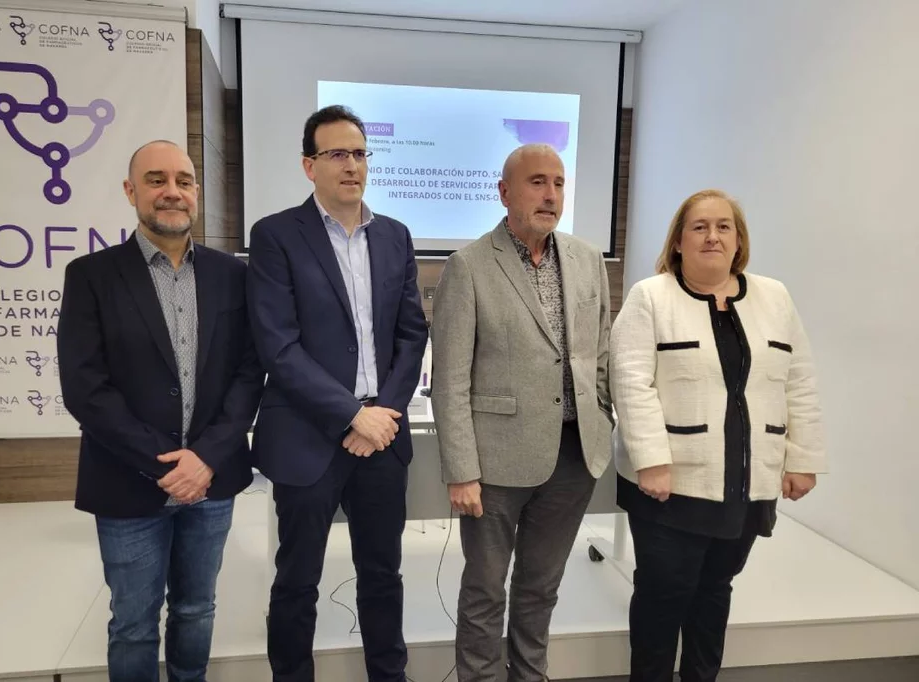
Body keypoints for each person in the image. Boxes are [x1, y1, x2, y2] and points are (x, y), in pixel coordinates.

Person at [58, 140, 264, 682]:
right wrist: (169, 464)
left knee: (198, 609)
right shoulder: (91, 276)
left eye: (184, 180)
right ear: (131, 191)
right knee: (133, 622)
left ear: (197, 193)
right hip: (127, 480)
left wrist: (207, 457)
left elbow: (249, 373)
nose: (172, 191)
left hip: (211, 480)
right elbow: (85, 388)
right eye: (156, 180)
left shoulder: (233, 275)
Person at [610, 189, 826, 682]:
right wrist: (651, 459)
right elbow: (629, 381)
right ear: (679, 241)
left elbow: (800, 379)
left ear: (738, 239)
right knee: (664, 596)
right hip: (668, 486)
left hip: (746, 484)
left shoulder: (775, 296)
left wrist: (803, 457)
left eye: (724, 226)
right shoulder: (650, 296)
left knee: (715, 589)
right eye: (700, 227)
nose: (713, 236)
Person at [246, 105, 429, 682]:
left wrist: (382, 413)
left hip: (382, 437)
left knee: (382, 575)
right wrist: (353, 415)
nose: (352, 165)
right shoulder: (276, 235)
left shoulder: (395, 236)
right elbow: (278, 346)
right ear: (309, 166)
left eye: (359, 153)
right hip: (308, 437)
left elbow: (411, 333)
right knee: (298, 580)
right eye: (337, 154)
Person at [430, 143, 615, 682]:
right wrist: (461, 469)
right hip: (495, 465)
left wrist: (602, 413)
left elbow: (597, 350)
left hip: (574, 456)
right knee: (486, 591)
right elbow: (450, 379)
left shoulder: (585, 259)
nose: (550, 194)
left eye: (558, 183)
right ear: (504, 191)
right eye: (537, 182)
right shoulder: (468, 266)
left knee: (541, 587)